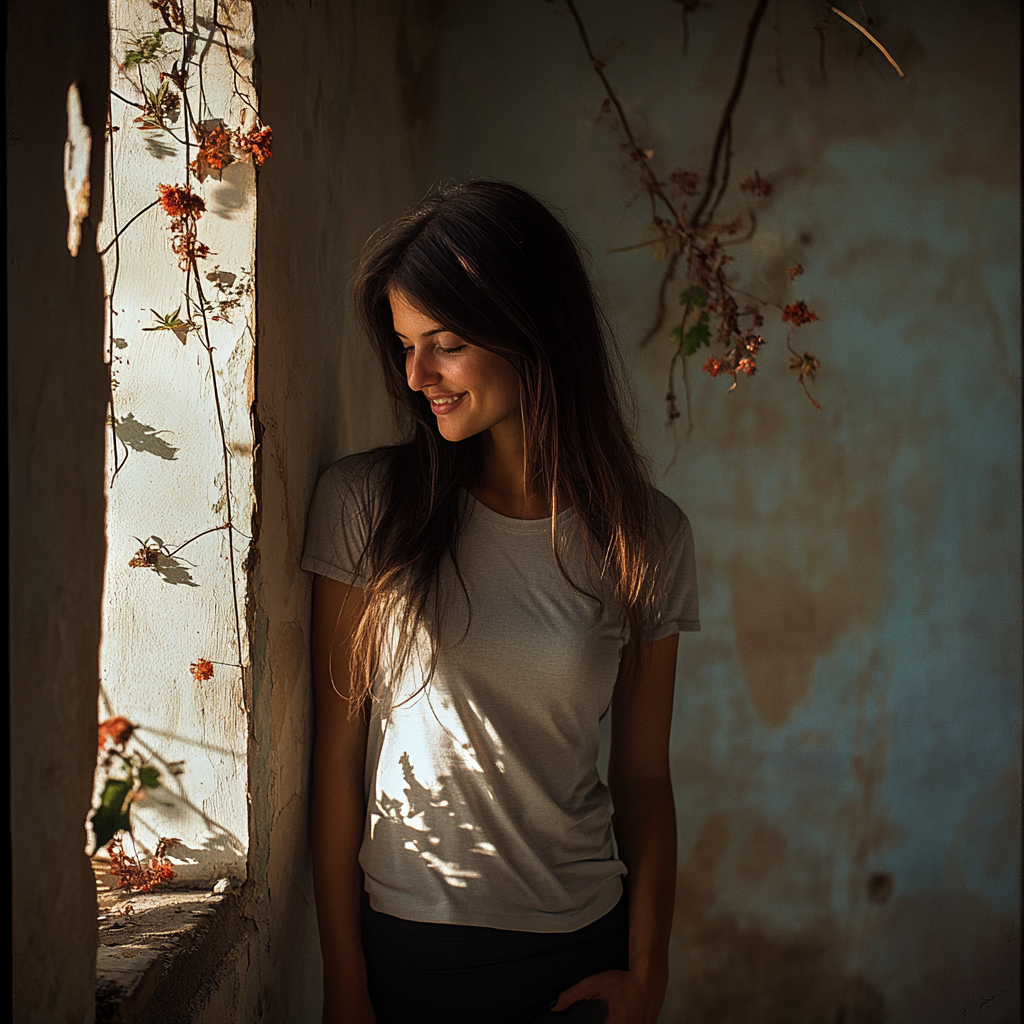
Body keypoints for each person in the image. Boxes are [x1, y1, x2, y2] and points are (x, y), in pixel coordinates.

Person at [302, 181, 699, 1024]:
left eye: (441, 343)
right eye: (406, 345)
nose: (416, 376)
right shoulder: (366, 505)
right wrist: (344, 980)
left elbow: (642, 775)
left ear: (531, 330)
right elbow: (334, 764)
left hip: (582, 955)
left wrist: (649, 972)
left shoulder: (647, 536)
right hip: (412, 951)